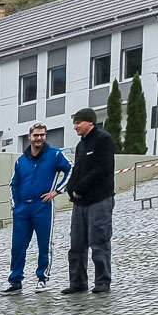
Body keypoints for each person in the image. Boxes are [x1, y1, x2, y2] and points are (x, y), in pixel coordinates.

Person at [1, 123, 71, 295]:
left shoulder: (55, 154)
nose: (39, 138)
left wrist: (57, 190)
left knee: (44, 244)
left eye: (42, 135)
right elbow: (13, 184)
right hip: (23, 209)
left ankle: (42, 278)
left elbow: (72, 169)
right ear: (29, 137)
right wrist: (16, 205)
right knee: (18, 246)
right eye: (36, 135)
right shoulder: (21, 160)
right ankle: (15, 281)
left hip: (43, 207)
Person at [65, 107, 117, 294]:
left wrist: (80, 187)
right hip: (80, 203)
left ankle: (102, 281)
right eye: (74, 123)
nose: (75, 126)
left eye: (78, 122)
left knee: (99, 242)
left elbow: (102, 169)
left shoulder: (103, 139)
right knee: (76, 245)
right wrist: (70, 188)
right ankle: (78, 283)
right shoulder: (81, 145)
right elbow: (77, 170)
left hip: (99, 200)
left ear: (90, 122)